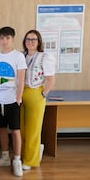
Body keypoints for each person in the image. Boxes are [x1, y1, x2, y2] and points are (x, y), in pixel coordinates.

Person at [0, 26, 27, 177]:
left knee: (15, 130)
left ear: (13, 39)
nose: (5, 41)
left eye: (8, 38)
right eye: (2, 38)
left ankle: (17, 159)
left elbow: (21, 79)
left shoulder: (18, 56)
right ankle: (5, 157)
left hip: (12, 101)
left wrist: (18, 98)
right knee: (2, 129)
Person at [20, 30, 56, 170]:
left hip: (35, 93)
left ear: (39, 42)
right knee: (22, 128)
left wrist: (43, 94)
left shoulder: (44, 57)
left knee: (33, 129)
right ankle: (25, 155)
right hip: (22, 93)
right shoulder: (22, 56)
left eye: (33, 39)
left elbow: (51, 78)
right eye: (28, 39)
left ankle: (31, 160)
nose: (30, 42)